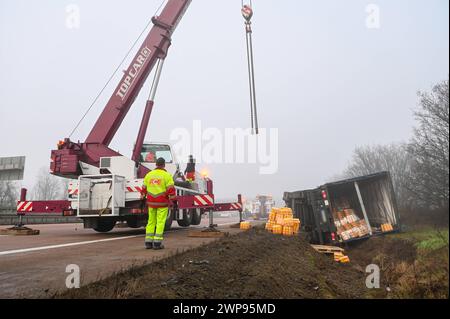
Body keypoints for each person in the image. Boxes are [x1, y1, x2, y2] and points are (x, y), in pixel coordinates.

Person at [140, 157, 176, 250]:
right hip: (162, 204)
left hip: (151, 203)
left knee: (151, 222)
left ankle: (148, 242)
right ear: (164, 165)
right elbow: (171, 190)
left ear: (156, 164)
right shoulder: (167, 176)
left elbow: (144, 188)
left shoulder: (149, 175)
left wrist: (142, 198)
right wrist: (173, 201)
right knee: (160, 222)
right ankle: (157, 243)